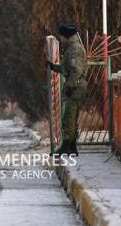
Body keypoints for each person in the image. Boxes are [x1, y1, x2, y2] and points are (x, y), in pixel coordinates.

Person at [47, 23, 87, 156]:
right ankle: (71, 147)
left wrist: (70, 87)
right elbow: (68, 68)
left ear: (66, 36)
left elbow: (76, 71)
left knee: (69, 118)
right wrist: (54, 67)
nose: (61, 39)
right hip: (75, 86)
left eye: (62, 36)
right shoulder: (72, 47)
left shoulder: (74, 49)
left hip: (75, 88)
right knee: (71, 118)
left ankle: (67, 146)